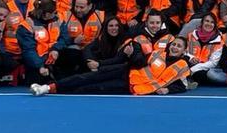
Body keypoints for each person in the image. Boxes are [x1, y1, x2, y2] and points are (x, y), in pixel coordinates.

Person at [30, 36, 191, 97]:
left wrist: (168, 90)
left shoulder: (182, 66)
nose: (175, 47)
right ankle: (48, 87)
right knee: (87, 77)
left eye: (179, 46)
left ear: (184, 50)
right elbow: (139, 61)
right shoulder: (158, 53)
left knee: (92, 89)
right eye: (174, 44)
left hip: (130, 87)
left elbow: (183, 85)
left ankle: (57, 91)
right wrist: (132, 53)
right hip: (125, 71)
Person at [16, 0, 72, 83]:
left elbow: (65, 38)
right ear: (47, 14)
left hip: (55, 55)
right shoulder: (26, 26)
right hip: (38, 59)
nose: (57, 14)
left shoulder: (58, 21)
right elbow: (28, 50)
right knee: (40, 79)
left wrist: (55, 49)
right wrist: (40, 66)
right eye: (55, 12)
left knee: (73, 53)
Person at [186, 14, 224, 79]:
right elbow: (184, 51)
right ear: (202, 22)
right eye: (207, 21)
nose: (209, 24)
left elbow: (213, 63)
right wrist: (191, 58)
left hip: (207, 69)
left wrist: (194, 68)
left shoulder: (219, 40)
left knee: (210, 74)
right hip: (190, 64)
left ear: (215, 25)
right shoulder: (191, 35)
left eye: (212, 22)